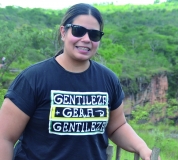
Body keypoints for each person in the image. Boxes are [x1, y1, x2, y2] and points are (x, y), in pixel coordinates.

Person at [0, 3, 160, 160]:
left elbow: (117, 127)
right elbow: (4, 137)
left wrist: (142, 148)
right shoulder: (33, 79)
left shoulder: (108, 80)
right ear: (63, 32)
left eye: (94, 34)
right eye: (78, 31)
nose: (86, 39)